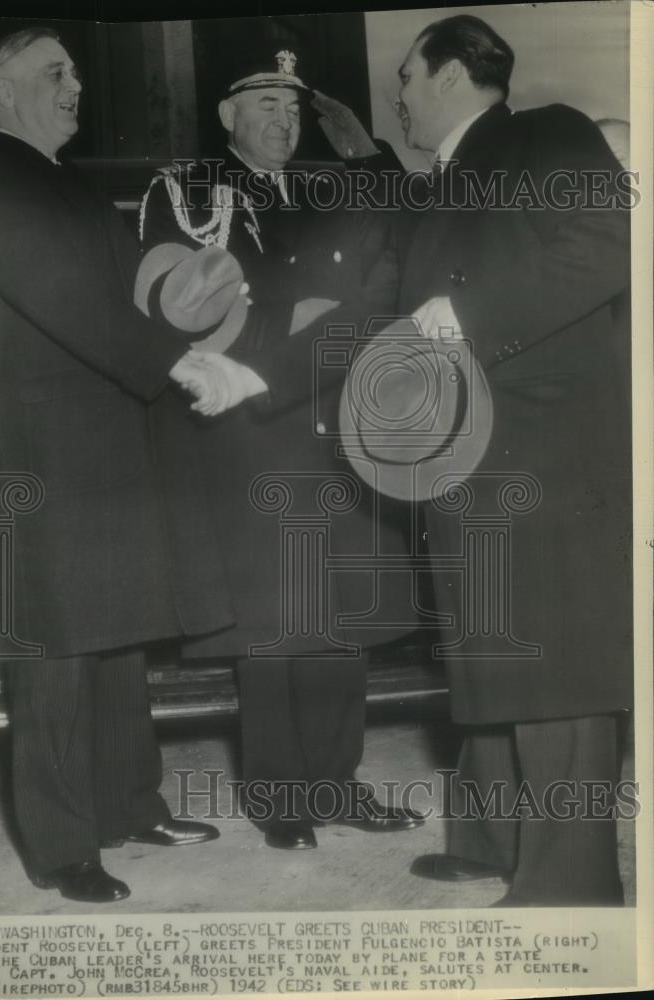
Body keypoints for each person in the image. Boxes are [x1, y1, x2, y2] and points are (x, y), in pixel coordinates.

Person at [320, 14, 633, 905]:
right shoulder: (439, 184)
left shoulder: (548, 133)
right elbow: (391, 311)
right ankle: (491, 840)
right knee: (489, 651)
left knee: (557, 669)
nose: (400, 100)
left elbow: (605, 246)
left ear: (453, 73)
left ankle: (569, 889)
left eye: (408, 81)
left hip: (549, 460)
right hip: (466, 461)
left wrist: (470, 316)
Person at [0, 27, 256, 903]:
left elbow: (118, 297)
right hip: (44, 447)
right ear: (2, 90)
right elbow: (64, 300)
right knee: (56, 652)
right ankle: (61, 848)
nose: (74, 87)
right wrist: (178, 362)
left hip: (101, 438)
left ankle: (130, 806)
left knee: (118, 636)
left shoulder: (53, 178)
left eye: (75, 74)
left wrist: (201, 326)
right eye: (53, 73)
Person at [138, 48, 425, 850]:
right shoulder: (188, 189)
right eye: (263, 102)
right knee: (272, 622)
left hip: (333, 414)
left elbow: (401, 255)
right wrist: (296, 322)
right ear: (227, 116)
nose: (282, 118)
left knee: (338, 616)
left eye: (292, 108)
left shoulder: (334, 183)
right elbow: (180, 299)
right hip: (249, 427)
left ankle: (335, 783)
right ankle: (280, 796)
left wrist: (366, 156)